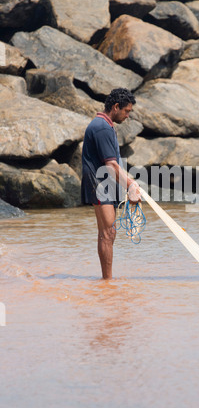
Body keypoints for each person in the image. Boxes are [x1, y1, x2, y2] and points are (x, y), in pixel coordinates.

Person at [81, 88, 141, 280]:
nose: (128, 116)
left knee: (109, 232)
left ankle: (106, 280)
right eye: (126, 111)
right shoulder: (102, 127)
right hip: (99, 184)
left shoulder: (105, 125)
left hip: (105, 184)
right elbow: (111, 164)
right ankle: (107, 282)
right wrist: (130, 185)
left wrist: (129, 184)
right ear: (116, 107)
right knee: (107, 233)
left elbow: (114, 164)